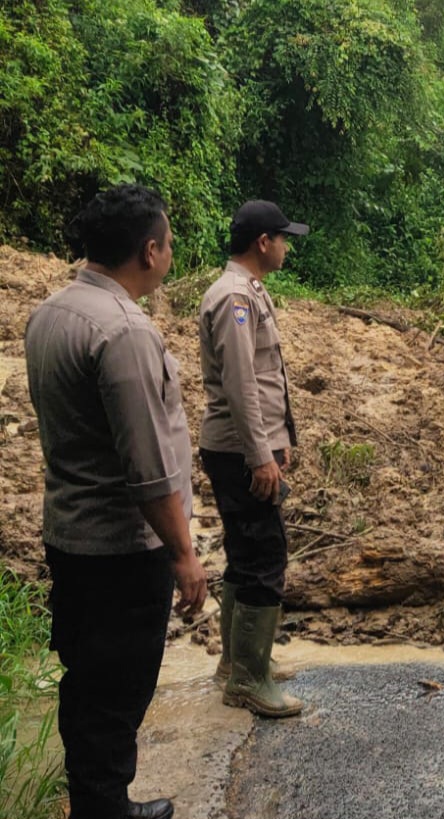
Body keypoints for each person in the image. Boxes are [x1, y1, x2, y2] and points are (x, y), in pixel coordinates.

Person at [25, 185, 207, 819]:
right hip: (121, 550)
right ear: (149, 251)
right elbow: (149, 470)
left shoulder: (52, 312)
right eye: (170, 244)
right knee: (118, 690)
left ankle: (97, 802)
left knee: (87, 681)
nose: (171, 255)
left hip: (70, 536)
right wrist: (184, 555)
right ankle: (104, 808)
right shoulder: (124, 331)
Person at [199, 200, 308, 718]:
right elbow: (241, 384)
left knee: (246, 552)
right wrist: (260, 455)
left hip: (242, 446)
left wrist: (277, 439)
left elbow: (262, 381)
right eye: (283, 238)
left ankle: (239, 662)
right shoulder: (235, 297)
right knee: (265, 555)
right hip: (239, 450)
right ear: (263, 242)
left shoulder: (247, 291)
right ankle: (248, 679)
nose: (286, 247)